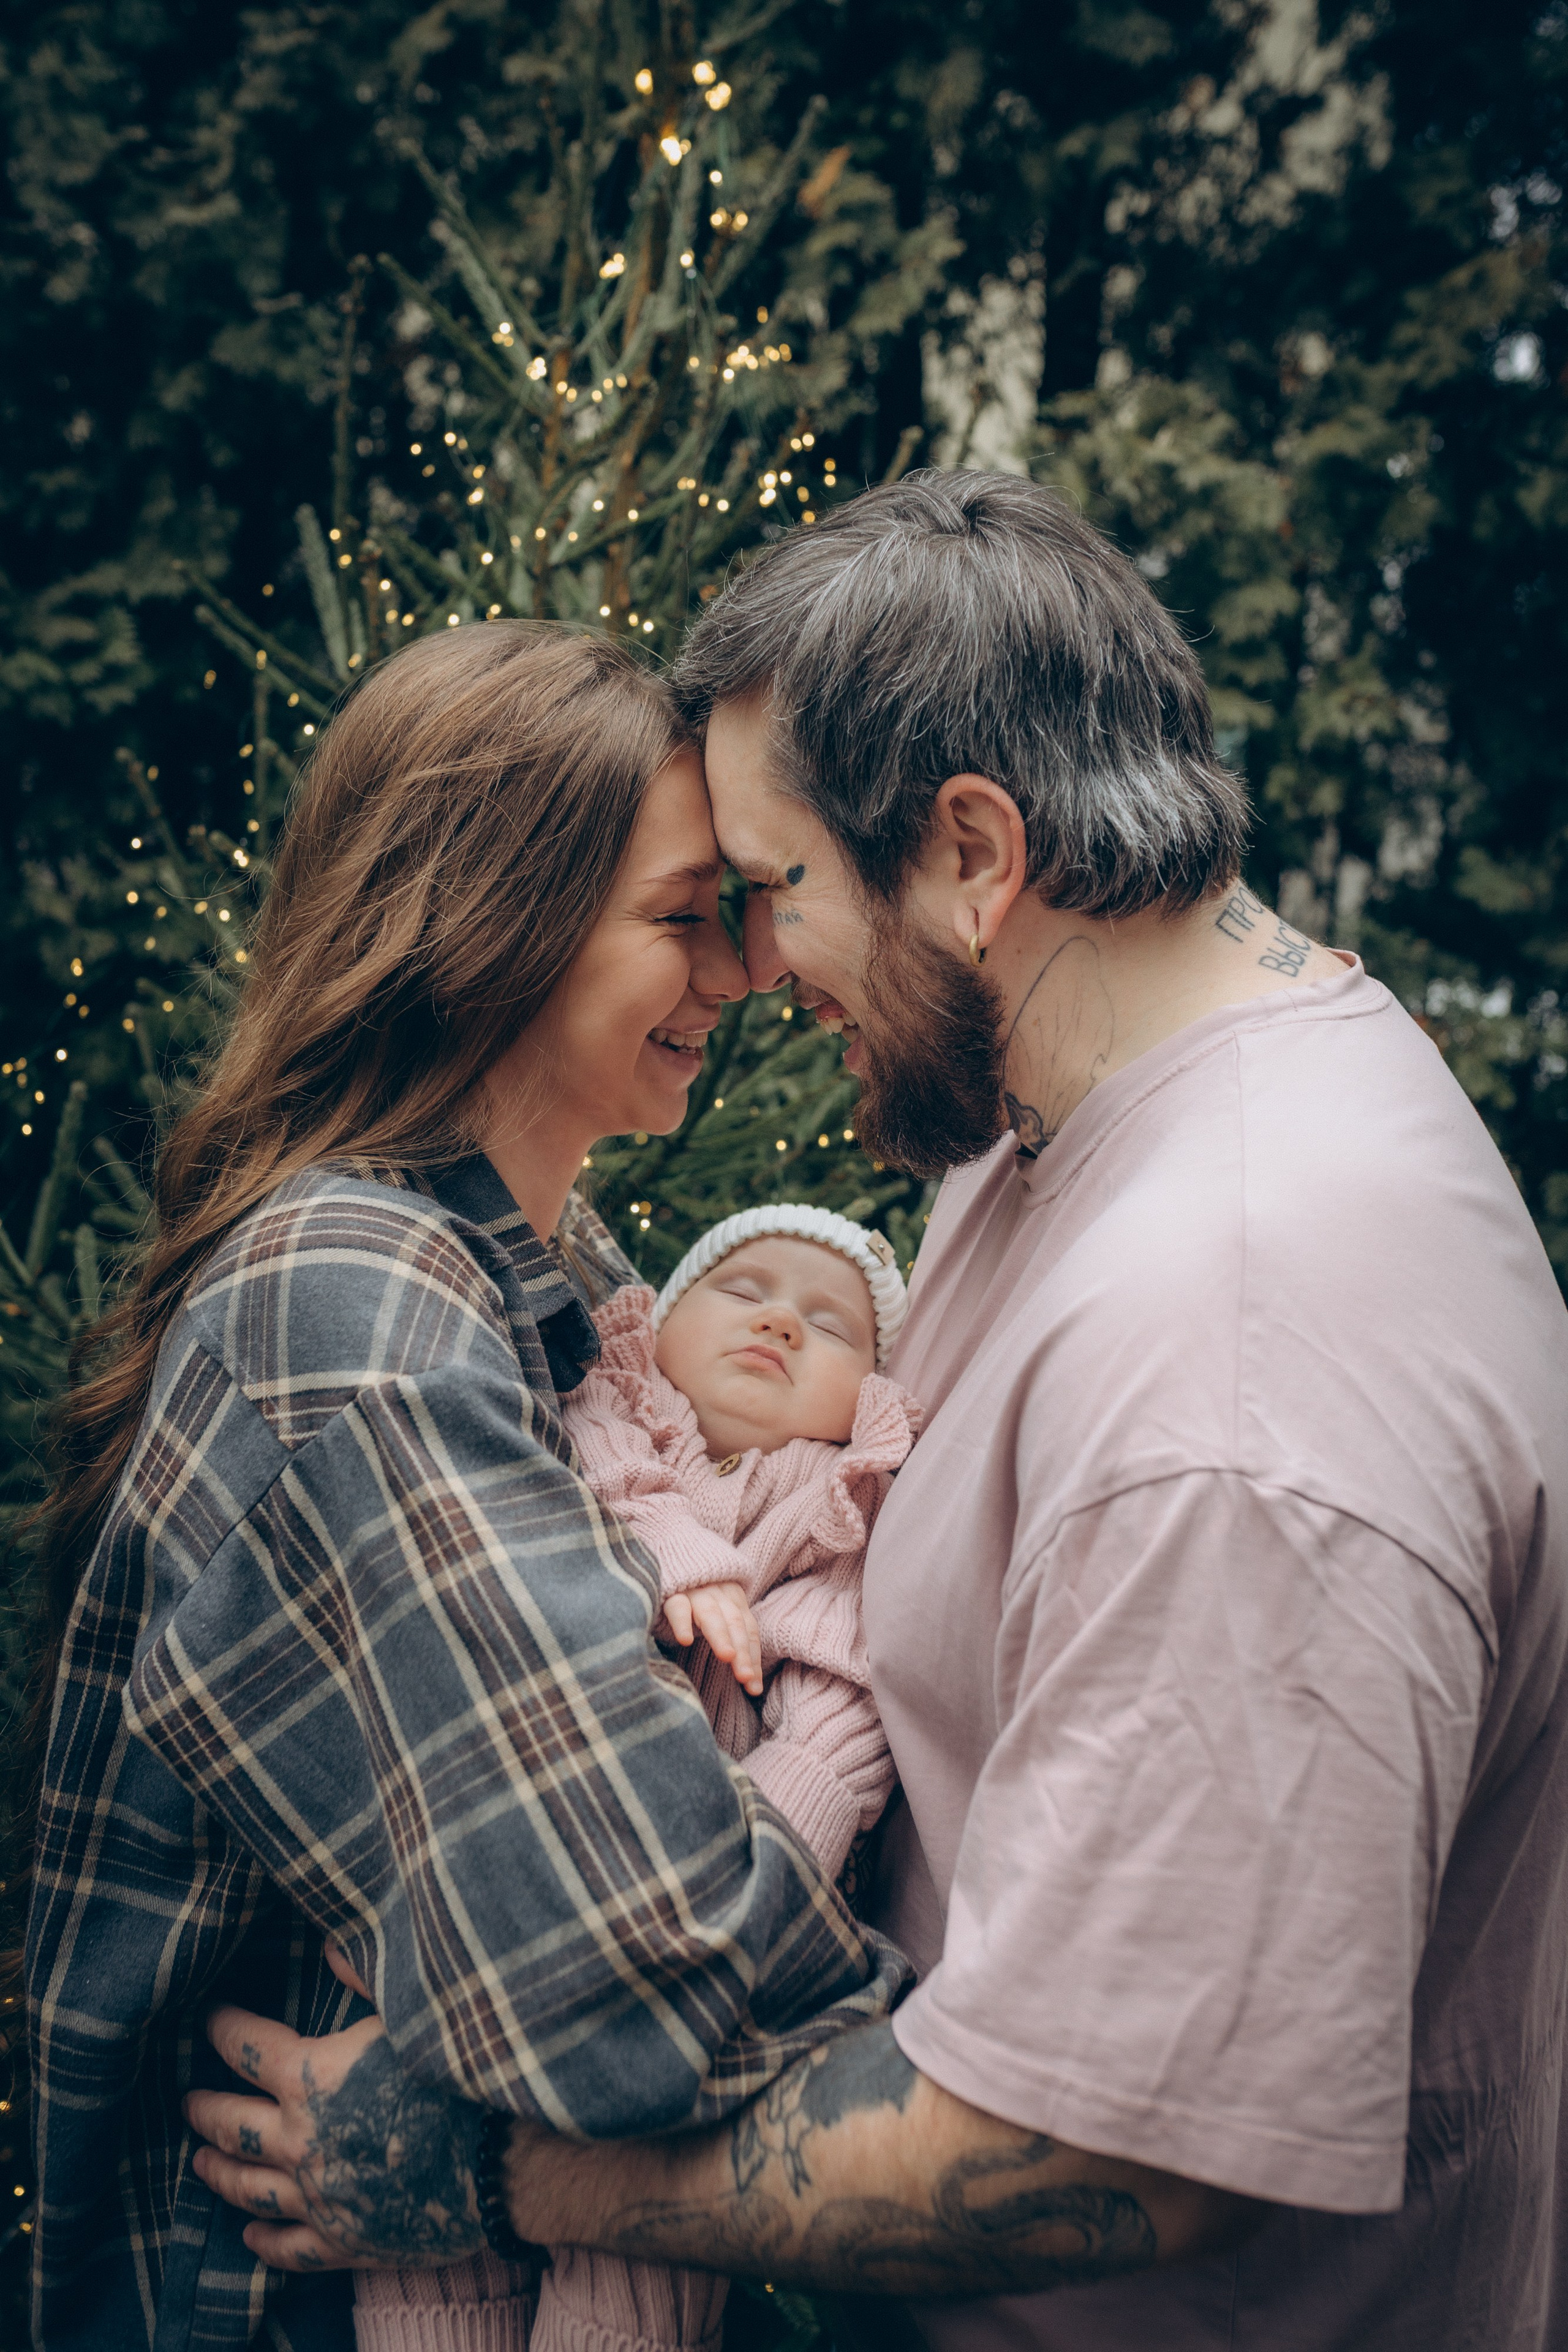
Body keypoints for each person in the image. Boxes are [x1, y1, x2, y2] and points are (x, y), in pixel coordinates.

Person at [188, 473, 1568, 2352]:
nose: (757, 966)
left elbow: (1108, 2154)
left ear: (973, 854)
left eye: (775, 890)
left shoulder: (1241, 1376)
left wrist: (500, 2168)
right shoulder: (1047, 1115)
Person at [22, 622, 909, 2352]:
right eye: (682, 918)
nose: (738, 973)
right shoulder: (361, 1303)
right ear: (490, 928)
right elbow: (641, 1972)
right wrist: (975, 2035)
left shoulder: (551, 1264)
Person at [359, 1208, 920, 2352]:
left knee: (637, 2255)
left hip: (702, 1930)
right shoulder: (583, 1424)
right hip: (507, 1887)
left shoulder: (834, 1517)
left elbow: (840, 1708)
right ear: (653, 1330)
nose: (778, 1318)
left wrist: (765, 1853)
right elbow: (587, 1503)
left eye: (828, 1323)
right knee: (431, 2249)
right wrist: (685, 1557)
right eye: (742, 1286)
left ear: (865, 1397)